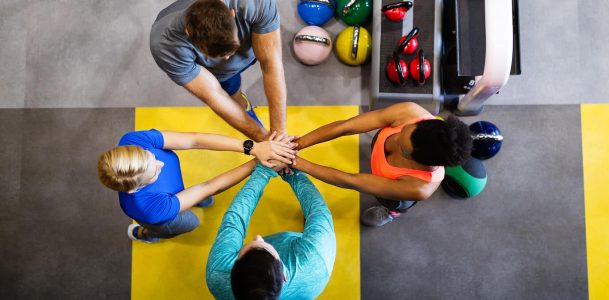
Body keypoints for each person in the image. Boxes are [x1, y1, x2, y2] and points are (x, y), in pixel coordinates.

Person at [292, 102, 473, 227]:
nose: (395, 139)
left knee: (396, 205)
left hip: (394, 193)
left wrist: (298, 163)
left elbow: (351, 181)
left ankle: (390, 213)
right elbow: (345, 127)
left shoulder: (419, 187)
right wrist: (297, 144)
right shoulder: (410, 112)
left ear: (418, 160)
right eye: (401, 132)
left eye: (402, 148)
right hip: (381, 158)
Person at [97, 129, 296, 242]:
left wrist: (254, 148)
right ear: (133, 189)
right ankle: (147, 234)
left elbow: (195, 140)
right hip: (162, 218)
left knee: (193, 197)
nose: (161, 164)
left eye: (152, 157)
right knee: (190, 222)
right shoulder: (152, 210)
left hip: (171, 196)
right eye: (155, 172)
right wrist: (257, 162)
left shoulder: (133, 140)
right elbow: (208, 187)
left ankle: (185, 199)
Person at [150, 0, 287, 141]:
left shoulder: (255, 2)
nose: (228, 58)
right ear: (188, 32)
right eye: (218, 55)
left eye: (229, 51)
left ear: (231, 13)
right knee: (233, 95)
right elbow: (214, 94)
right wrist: (264, 140)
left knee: (268, 59)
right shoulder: (165, 45)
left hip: (254, 38)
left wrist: (280, 134)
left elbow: (271, 64)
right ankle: (245, 107)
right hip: (221, 74)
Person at [206, 164, 335, 300]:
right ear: (284, 275)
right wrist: (293, 174)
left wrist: (263, 172)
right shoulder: (316, 259)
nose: (258, 237)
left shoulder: (217, 275)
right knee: (314, 221)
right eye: (265, 246)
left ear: (232, 274)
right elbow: (318, 211)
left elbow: (234, 222)